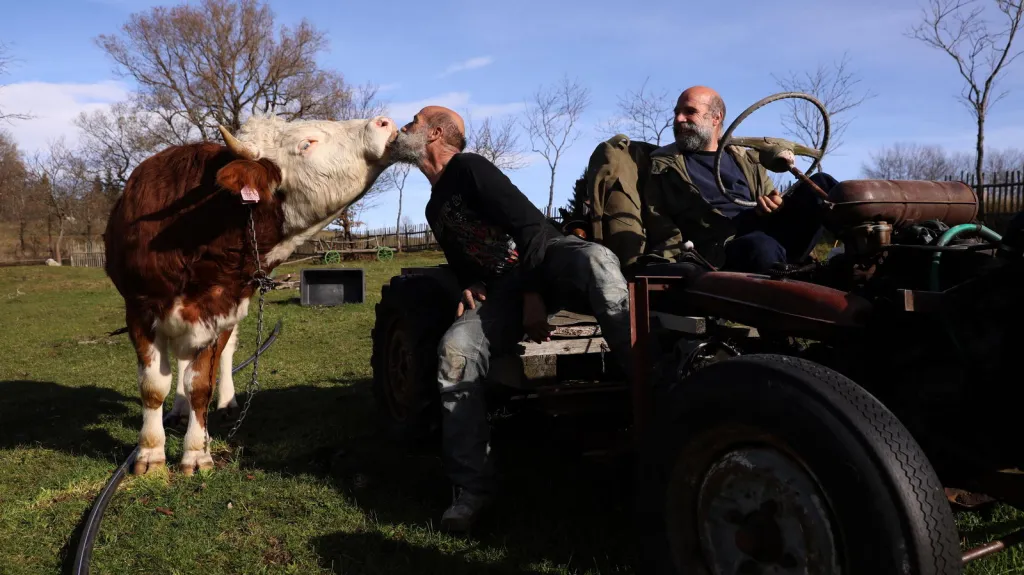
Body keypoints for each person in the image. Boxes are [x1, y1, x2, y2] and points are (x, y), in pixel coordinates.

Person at [386, 105, 633, 533]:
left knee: (598, 260)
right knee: (455, 352)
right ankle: (472, 489)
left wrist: (533, 295)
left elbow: (529, 228)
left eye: (412, 122)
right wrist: (470, 283)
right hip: (502, 291)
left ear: (435, 134)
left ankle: (650, 391)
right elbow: (468, 259)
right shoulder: (432, 208)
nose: (404, 127)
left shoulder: (470, 168)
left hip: (548, 261)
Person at [590, 85, 838, 275]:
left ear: (716, 118)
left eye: (690, 112)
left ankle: (860, 257)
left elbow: (772, 200)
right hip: (722, 249)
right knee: (760, 246)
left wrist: (775, 207)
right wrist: (672, 260)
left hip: (771, 234)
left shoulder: (746, 159)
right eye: (677, 113)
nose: (678, 119)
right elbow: (660, 222)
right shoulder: (663, 166)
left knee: (823, 184)